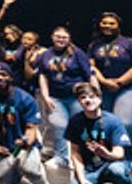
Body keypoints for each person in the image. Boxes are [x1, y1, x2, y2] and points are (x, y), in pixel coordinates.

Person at [64, 82, 132, 184]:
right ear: (79, 101)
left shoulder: (113, 121)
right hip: (90, 169)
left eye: (92, 96)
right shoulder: (75, 121)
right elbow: (75, 153)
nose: (88, 100)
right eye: (83, 97)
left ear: (100, 99)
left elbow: (119, 153)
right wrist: (82, 179)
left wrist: (105, 154)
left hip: (110, 165)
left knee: (118, 171)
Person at [35, 27, 92, 169]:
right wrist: (46, 96)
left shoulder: (77, 53)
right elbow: (43, 76)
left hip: (76, 97)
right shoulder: (46, 54)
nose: (60, 40)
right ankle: (62, 157)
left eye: (64, 37)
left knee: (80, 127)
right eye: (57, 36)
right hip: (56, 97)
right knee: (58, 125)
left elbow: (89, 75)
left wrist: (93, 96)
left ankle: (83, 156)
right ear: (52, 37)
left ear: (69, 38)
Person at [89, 13, 132, 130]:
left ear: (118, 26)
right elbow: (91, 66)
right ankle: (118, 148)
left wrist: (120, 82)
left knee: (124, 123)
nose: (107, 26)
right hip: (105, 88)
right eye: (104, 23)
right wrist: (104, 81)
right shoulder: (93, 45)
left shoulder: (130, 43)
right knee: (106, 124)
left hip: (130, 87)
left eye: (112, 23)